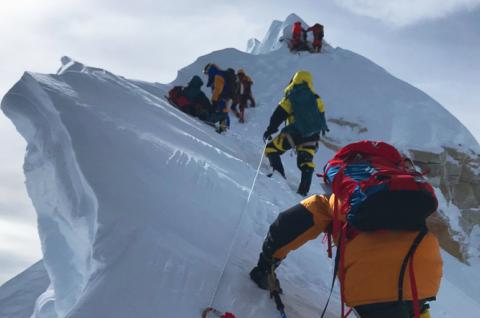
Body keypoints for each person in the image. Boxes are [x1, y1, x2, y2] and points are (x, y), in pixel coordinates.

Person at [250, 142, 442, 318]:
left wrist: (265, 266)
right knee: (414, 307)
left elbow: (288, 223)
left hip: (372, 284)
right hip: (423, 276)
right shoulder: (405, 190)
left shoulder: (341, 198)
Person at [263, 70, 329, 196]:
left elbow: (279, 114)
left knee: (271, 149)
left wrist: (270, 130)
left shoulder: (292, 95)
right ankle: (303, 192)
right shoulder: (317, 99)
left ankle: (278, 176)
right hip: (313, 136)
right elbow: (321, 120)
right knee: (306, 162)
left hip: (294, 133)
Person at [204, 63, 235, 133]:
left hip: (221, 98)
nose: (207, 75)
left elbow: (218, 89)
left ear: (210, 70)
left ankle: (215, 123)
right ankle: (225, 128)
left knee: (221, 112)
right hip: (228, 97)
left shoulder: (218, 75)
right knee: (225, 112)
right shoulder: (222, 74)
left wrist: (214, 100)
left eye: (207, 73)